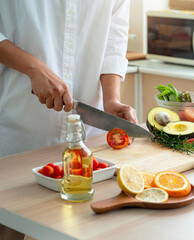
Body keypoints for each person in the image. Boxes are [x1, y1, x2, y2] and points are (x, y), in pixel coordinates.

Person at [0, 1, 135, 238]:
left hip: (87, 142)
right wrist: (33, 67)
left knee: (82, 228)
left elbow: (114, 35)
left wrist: (111, 100)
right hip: (17, 133)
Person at [0, 0, 137, 159]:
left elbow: (114, 39)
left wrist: (112, 100)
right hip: (21, 135)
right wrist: (34, 67)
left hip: (91, 137)